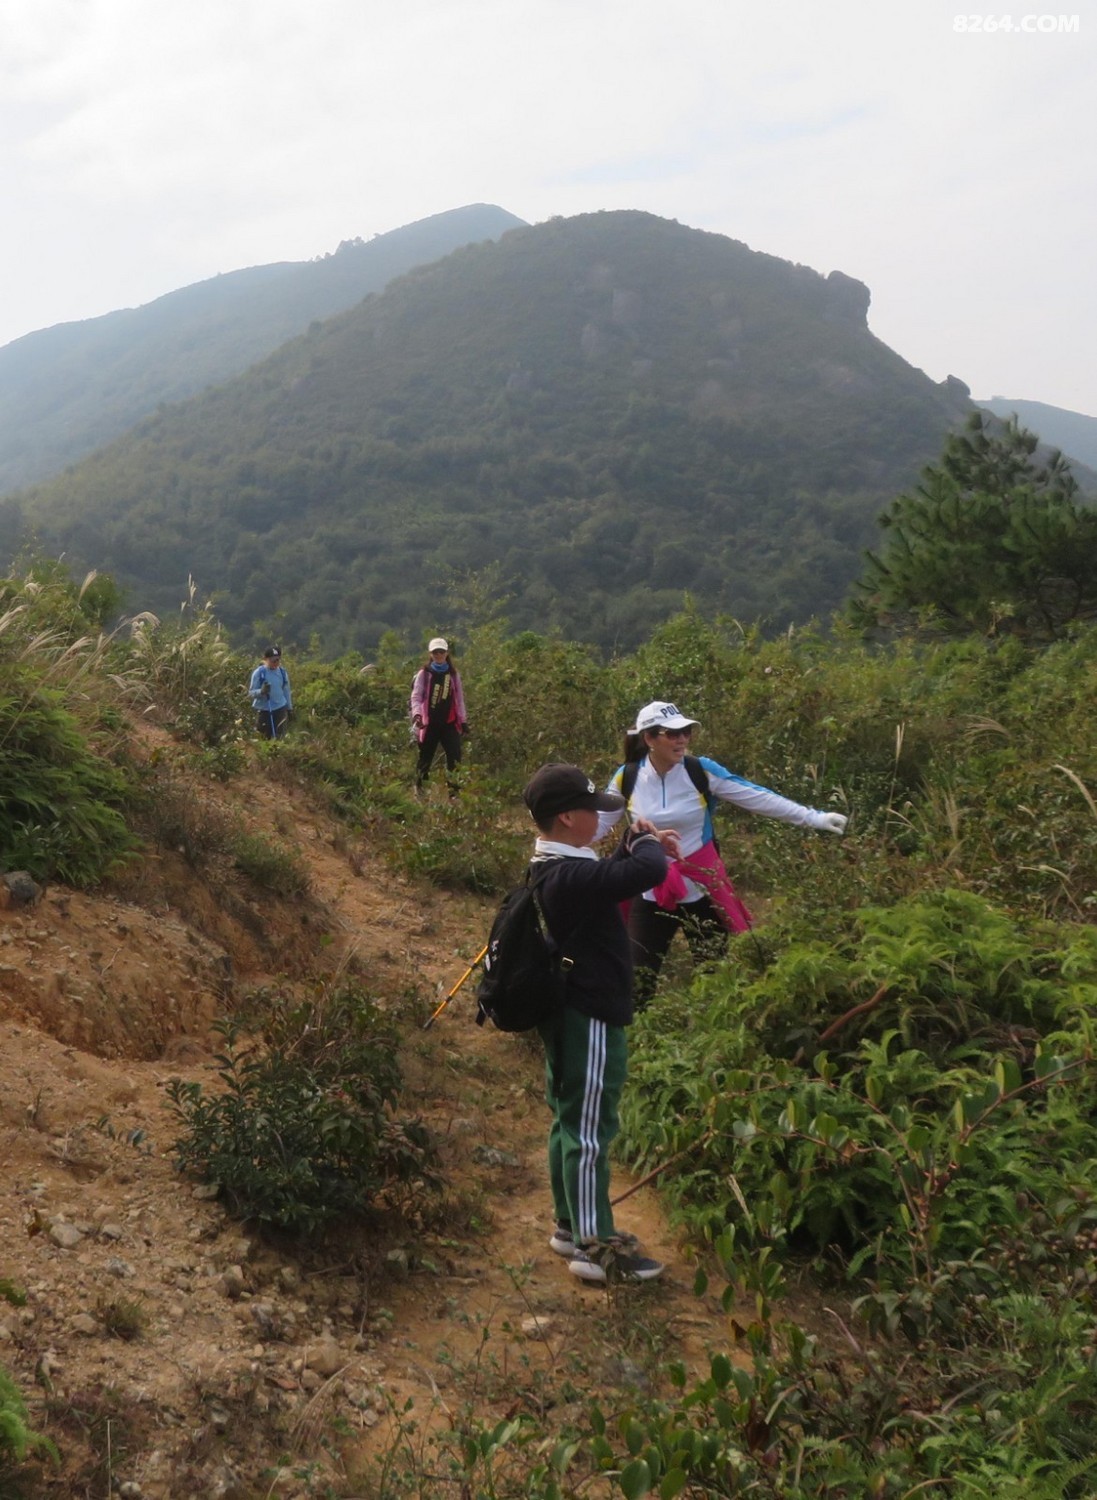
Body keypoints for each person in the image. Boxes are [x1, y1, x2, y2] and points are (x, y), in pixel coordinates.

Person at [523, 762, 680, 1284]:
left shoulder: (556, 867)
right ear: (567, 818)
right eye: (592, 810)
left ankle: (570, 1226)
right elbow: (646, 873)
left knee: (569, 1120)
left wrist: (633, 844)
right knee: (589, 1130)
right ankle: (595, 1249)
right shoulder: (569, 876)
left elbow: (612, 878)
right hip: (588, 1014)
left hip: (569, 1011)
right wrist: (646, 838)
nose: (600, 818)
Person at [602, 701, 847, 1008]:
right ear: (649, 739)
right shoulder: (627, 778)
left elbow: (755, 796)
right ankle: (639, 1037)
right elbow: (595, 824)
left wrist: (814, 817)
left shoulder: (699, 771)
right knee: (637, 983)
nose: (682, 739)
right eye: (672, 734)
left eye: (687, 731)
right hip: (651, 891)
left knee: (715, 981)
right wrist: (556, 847)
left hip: (703, 890)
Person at [409, 638, 468, 794]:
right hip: (429, 724)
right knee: (425, 758)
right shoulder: (424, 674)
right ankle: (421, 790)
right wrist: (417, 715)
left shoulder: (453, 674)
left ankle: (454, 793)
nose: (439, 655)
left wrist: (463, 721)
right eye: (436, 652)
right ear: (431, 654)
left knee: (455, 757)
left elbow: (459, 699)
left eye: (441, 652)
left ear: (446, 653)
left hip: (449, 723)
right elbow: (416, 696)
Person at [248, 647, 292, 739]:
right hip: (264, 710)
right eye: (273, 661)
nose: (276, 663)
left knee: (280, 737)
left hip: (280, 709)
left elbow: (286, 692)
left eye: (277, 660)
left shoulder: (282, 673)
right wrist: (261, 691)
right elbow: (251, 693)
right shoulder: (259, 673)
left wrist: (289, 708)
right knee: (263, 737)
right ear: (266, 659)